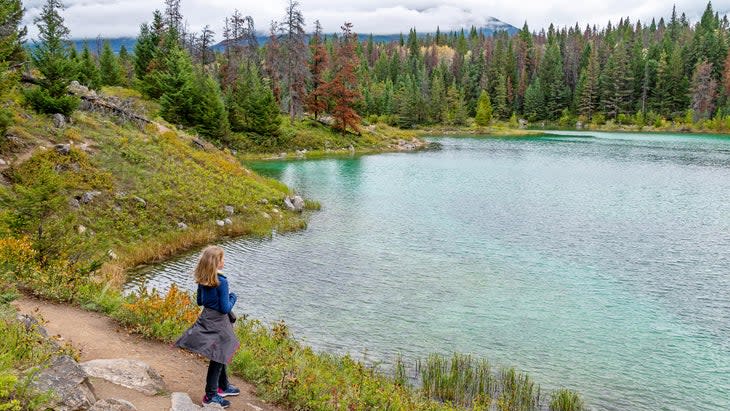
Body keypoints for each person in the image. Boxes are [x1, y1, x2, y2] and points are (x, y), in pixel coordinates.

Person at [176, 245, 241, 408]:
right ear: (215, 263)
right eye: (222, 259)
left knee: (221, 352)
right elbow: (225, 308)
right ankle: (211, 395)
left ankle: (223, 386)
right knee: (219, 355)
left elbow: (199, 301)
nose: (224, 261)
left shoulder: (203, 279)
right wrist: (233, 297)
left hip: (207, 318)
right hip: (219, 322)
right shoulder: (222, 281)